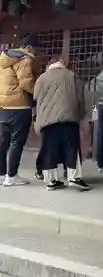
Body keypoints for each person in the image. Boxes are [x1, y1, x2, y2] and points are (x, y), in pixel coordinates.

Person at [33, 56, 90, 191]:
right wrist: (81, 115)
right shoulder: (72, 76)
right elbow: (80, 97)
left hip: (46, 121)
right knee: (71, 147)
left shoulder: (41, 78)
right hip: (68, 118)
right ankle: (73, 177)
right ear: (62, 64)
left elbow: (35, 97)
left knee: (49, 149)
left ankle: (51, 181)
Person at [0, 35, 39, 187]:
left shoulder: (2, 59)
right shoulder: (24, 59)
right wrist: (38, 93)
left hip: (3, 106)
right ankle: (12, 175)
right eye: (36, 49)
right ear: (29, 47)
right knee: (17, 141)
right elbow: (26, 83)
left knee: (3, 142)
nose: (36, 53)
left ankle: (2, 174)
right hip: (19, 106)